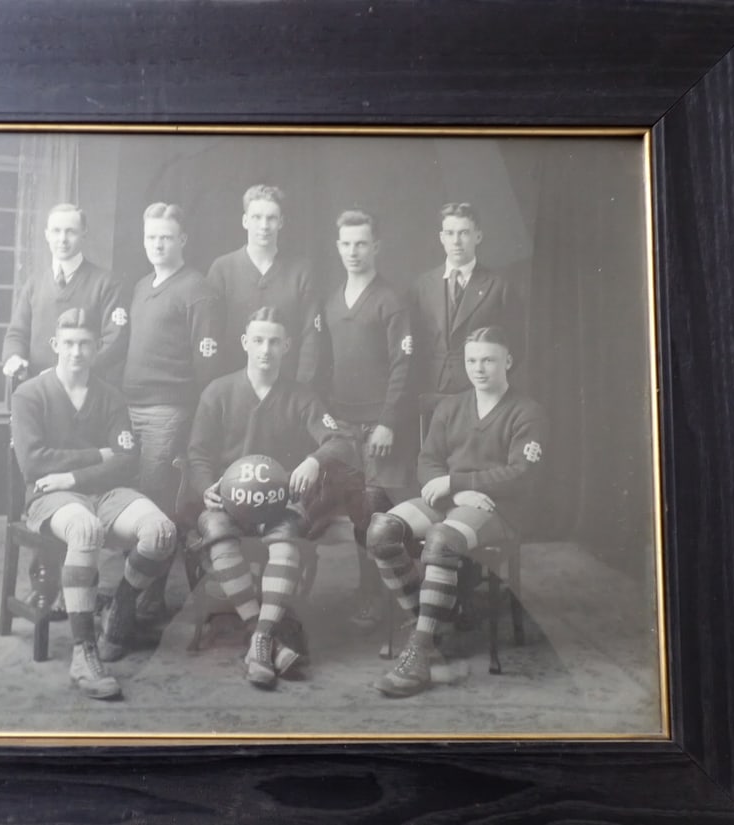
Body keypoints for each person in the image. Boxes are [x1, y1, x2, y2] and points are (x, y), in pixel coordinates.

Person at [365, 326, 546, 697]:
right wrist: (454, 493)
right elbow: (427, 461)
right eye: (472, 361)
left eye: (489, 360)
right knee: (381, 530)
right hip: (455, 500)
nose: (479, 369)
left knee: (442, 538)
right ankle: (429, 622)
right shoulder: (451, 406)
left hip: (498, 508)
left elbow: (521, 474)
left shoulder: (527, 411)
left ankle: (419, 649)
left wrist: (458, 484)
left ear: (508, 361)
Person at [187, 306, 356, 689]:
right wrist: (206, 488)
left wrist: (314, 460)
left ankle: (259, 638)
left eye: (274, 342)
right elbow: (197, 453)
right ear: (246, 343)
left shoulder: (301, 396)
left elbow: (340, 441)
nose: (266, 349)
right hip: (228, 503)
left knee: (285, 544)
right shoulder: (218, 391)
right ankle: (260, 634)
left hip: (280, 503)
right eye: (259, 340)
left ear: (287, 346)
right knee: (217, 531)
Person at [11, 308, 177, 699]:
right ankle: (84, 652)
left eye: (85, 344)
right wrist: (96, 455)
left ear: (97, 347)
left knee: (161, 532)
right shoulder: (30, 393)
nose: (76, 352)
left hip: (102, 491)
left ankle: (121, 604)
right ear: (55, 345)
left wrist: (77, 473)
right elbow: (34, 462)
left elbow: (126, 457)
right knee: (84, 529)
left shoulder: (110, 396)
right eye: (68, 344)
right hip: (50, 496)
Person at [121, 202, 224, 614]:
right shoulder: (142, 285)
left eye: (166, 237)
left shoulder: (198, 290)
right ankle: (138, 587)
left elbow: (209, 367)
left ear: (182, 239)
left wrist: (195, 422)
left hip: (169, 411)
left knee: (155, 505)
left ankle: (149, 597)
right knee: (130, 504)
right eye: (151, 237)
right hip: (131, 409)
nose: (157, 244)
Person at [320, 209, 417, 630]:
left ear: (376, 246)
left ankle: (394, 595)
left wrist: (388, 421)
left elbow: (404, 365)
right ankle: (369, 591)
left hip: (380, 428)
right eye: (346, 243)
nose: (354, 251)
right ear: (338, 247)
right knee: (358, 511)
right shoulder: (331, 297)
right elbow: (324, 361)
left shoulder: (391, 299)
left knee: (379, 511)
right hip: (343, 424)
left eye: (361, 243)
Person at [411, 202, 523, 416]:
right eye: (450, 233)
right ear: (441, 238)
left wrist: (487, 384)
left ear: (478, 236)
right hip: (430, 394)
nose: (456, 241)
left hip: (479, 395)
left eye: (464, 233)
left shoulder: (499, 287)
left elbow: (516, 346)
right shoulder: (421, 286)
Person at [206, 184, 322, 385]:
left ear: (281, 222)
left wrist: (301, 391)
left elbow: (311, 337)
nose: (264, 225)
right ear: (245, 221)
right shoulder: (222, 269)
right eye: (256, 217)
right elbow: (210, 333)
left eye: (271, 218)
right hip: (233, 389)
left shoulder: (301, 270)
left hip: (287, 390)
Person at [2, 203, 129, 383]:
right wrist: (14, 357)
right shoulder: (34, 284)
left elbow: (115, 341)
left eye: (71, 231)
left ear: (84, 233)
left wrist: (67, 373)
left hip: (84, 391)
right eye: (56, 231)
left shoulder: (105, 283)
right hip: (38, 389)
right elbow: (17, 333)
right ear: (46, 234)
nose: (62, 239)